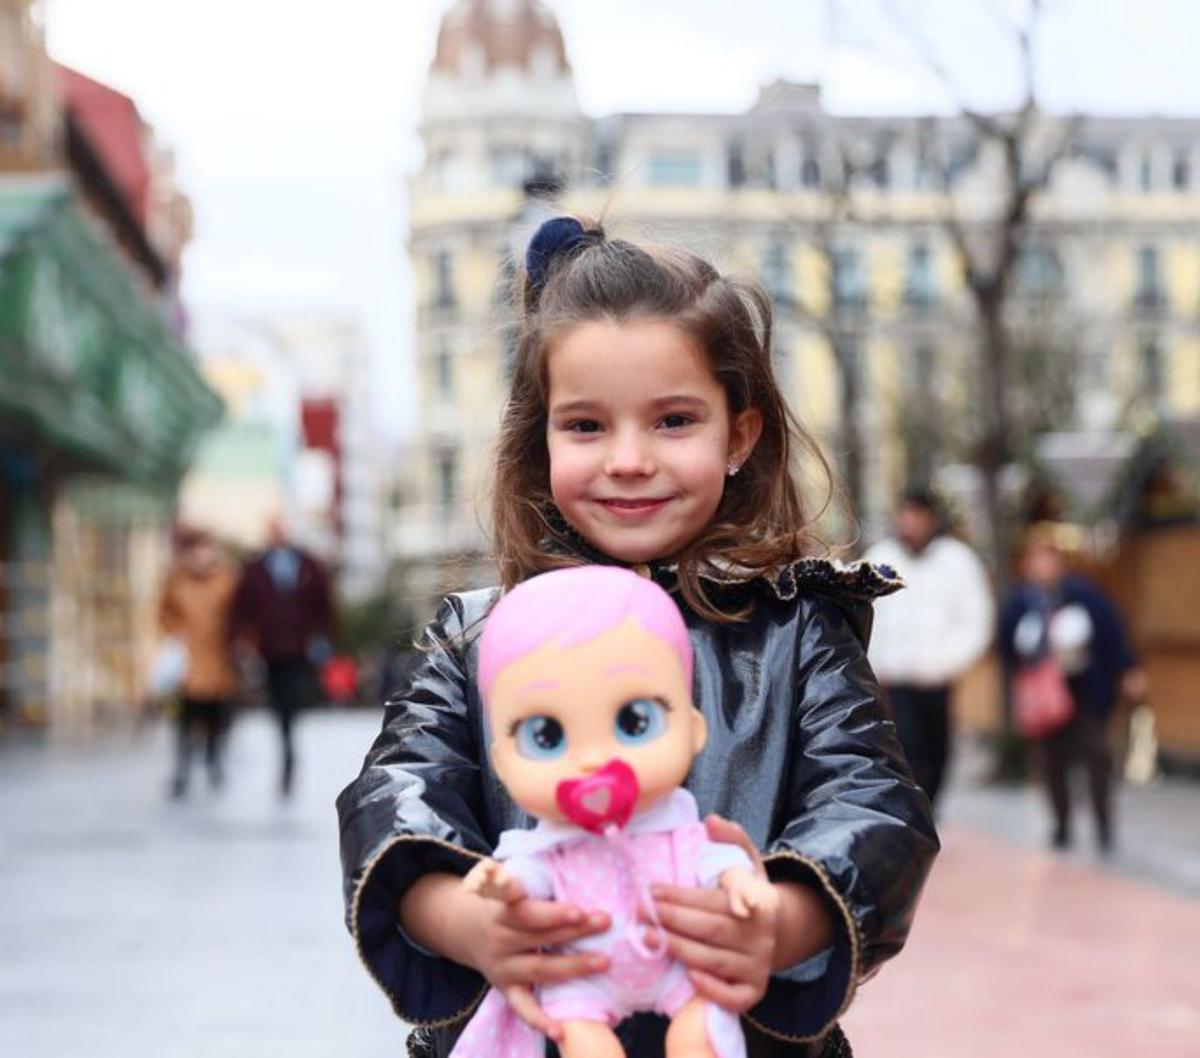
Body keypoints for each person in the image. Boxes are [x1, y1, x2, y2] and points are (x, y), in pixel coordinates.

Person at [337, 216, 939, 1058]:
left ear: (739, 435)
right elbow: (396, 794)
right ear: (539, 436)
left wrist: (783, 919)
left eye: (672, 421)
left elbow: (875, 805)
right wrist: (464, 917)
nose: (628, 459)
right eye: (586, 426)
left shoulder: (797, 629)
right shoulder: (479, 636)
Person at [998, 523, 1147, 853]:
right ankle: (1062, 824)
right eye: (1036, 558)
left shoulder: (1086, 595)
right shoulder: (1020, 602)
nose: (1043, 565)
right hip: (1043, 697)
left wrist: (1129, 669)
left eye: (1049, 557)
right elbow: (1007, 649)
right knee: (1052, 762)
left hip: (1085, 690)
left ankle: (1103, 824)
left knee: (1096, 755)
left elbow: (1113, 634)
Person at [863, 489, 995, 811]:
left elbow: (977, 618)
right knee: (906, 748)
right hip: (895, 680)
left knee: (937, 749)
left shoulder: (957, 560)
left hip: (938, 679)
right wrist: (875, 663)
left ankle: (927, 809)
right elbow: (866, 616)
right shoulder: (880, 557)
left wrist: (947, 662)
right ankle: (912, 811)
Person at [232, 517, 335, 796]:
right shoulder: (256, 568)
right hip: (270, 649)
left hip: (299, 647)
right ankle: (286, 740)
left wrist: (322, 637)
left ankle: (289, 741)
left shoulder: (308, 566)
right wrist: (245, 641)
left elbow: (324, 604)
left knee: (292, 696)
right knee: (279, 700)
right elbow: (242, 607)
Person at [158, 527, 240, 799]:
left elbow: (240, 615)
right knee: (185, 720)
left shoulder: (227, 579)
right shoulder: (178, 580)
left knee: (216, 718)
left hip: (219, 660)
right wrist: (174, 636)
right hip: (190, 662)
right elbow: (163, 613)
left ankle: (213, 761)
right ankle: (182, 770)